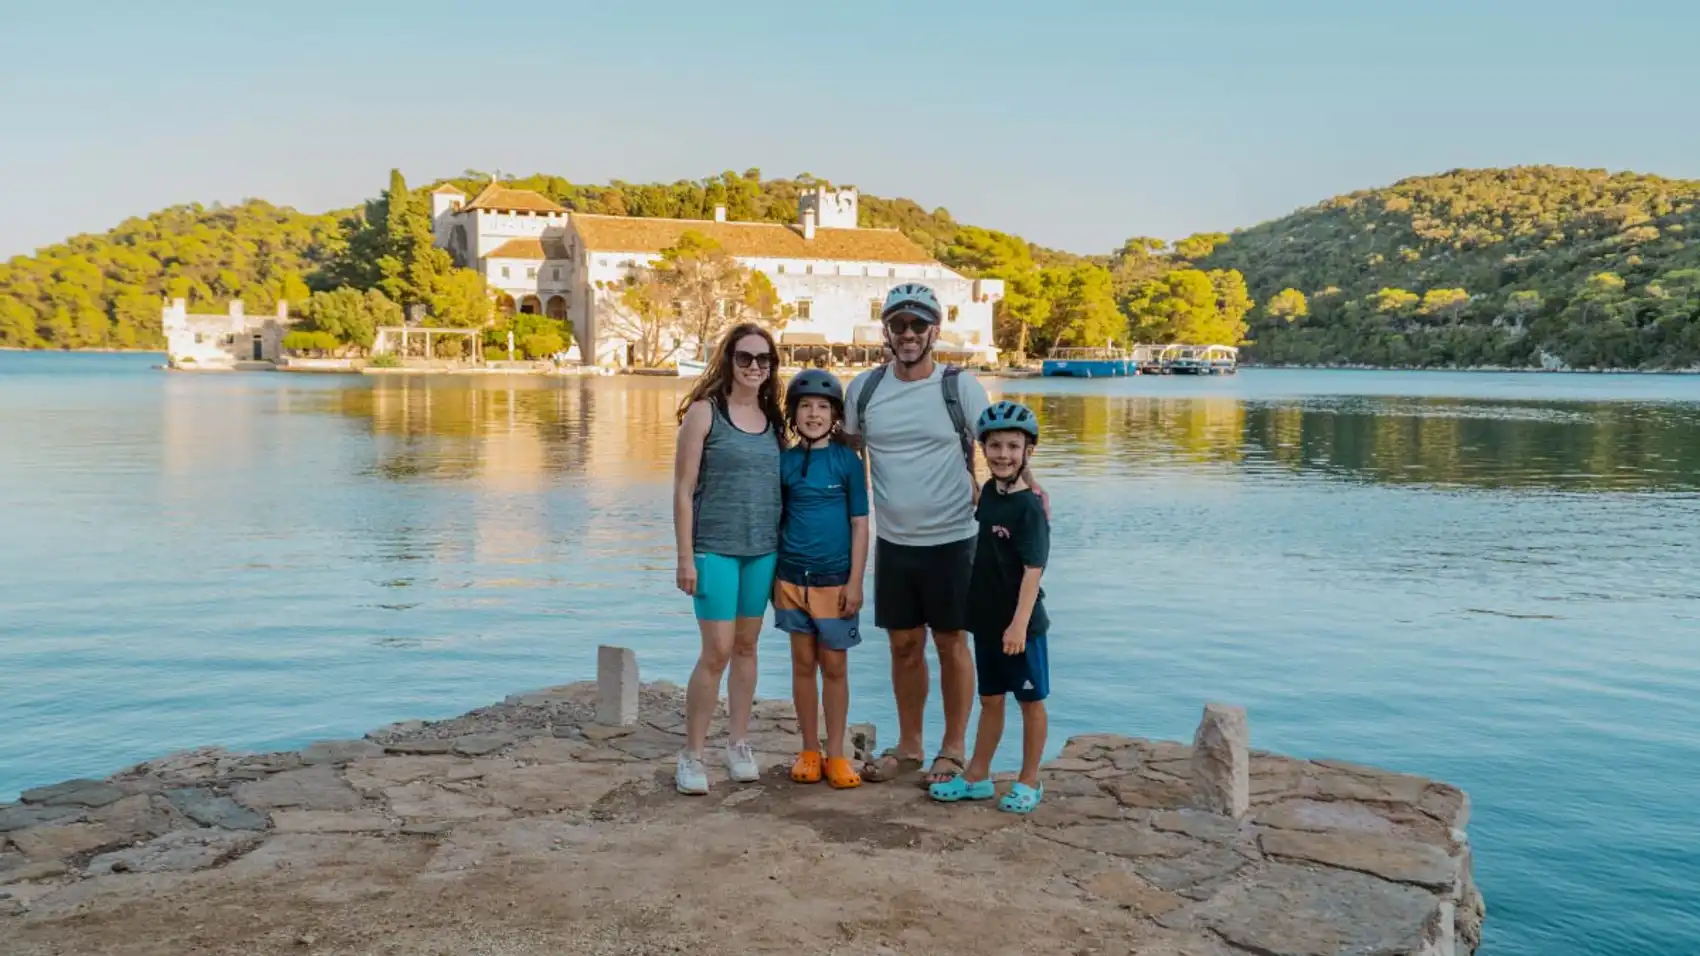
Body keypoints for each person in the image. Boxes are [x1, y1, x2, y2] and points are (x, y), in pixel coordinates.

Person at [843, 283, 992, 787]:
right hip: (895, 543)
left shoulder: (960, 387)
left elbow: (999, 446)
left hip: (953, 539)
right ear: (886, 330)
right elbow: (847, 458)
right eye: (899, 325)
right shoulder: (863, 390)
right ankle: (909, 746)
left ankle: (952, 750)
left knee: (952, 642)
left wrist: (1026, 492)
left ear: (935, 330)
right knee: (903, 645)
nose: (908, 334)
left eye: (918, 325)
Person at [671, 323, 786, 795]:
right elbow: (682, 491)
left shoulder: (774, 420)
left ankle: (738, 742)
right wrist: (685, 558)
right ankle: (692, 754)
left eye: (764, 359)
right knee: (716, 651)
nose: (755, 366)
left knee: (746, 647)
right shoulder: (704, 414)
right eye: (745, 358)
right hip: (714, 549)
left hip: (762, 551)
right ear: (728, 361)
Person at [929, 400, 1051, 814]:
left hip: (1021, 626)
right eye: (995, 446)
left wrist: (1018, 626)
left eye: (1013, 447)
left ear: (1027, 452)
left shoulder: (1030, 507)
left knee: (1030, 703)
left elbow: (1033, 570)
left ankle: (1030, 780)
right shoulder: (991, 499)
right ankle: (978, 776)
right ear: (984, 449)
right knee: (991, 700)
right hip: (985, 621)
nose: (1003, 454)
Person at [773, 369, 869, 789]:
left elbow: (860, 525)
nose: (813, 413)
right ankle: (809, 749)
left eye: (823, 407)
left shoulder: (848, 462)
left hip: (835, 580)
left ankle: (837, 753)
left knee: (834, 665)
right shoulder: (786, 461)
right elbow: (776, 520)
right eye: (805, 406)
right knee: (801, 665)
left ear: (835, 415)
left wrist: (856, 582)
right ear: (794, 413)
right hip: (792, 578)